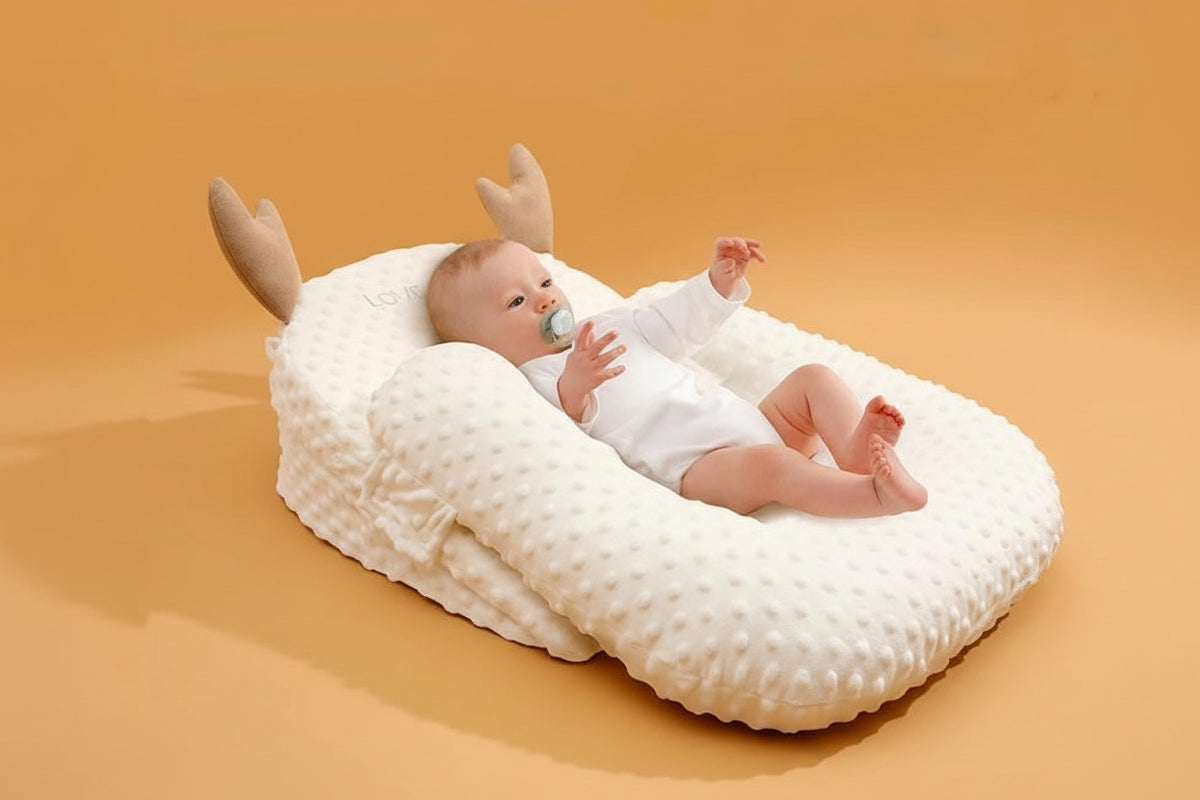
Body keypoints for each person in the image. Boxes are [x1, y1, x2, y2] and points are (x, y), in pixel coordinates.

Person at [424, 236, 928, 517]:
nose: (545, 299)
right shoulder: (533, 377)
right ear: (482, 344)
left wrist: (717, 282)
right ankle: (874, 497)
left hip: (748, 423)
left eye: (545, 282)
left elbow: (670, 322)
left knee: (813, 378)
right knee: (775, 464)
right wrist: (576, 381)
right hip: (700, 469)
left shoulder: (609, 325)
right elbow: (565, 426)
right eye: (517, 302)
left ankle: (861, 458)